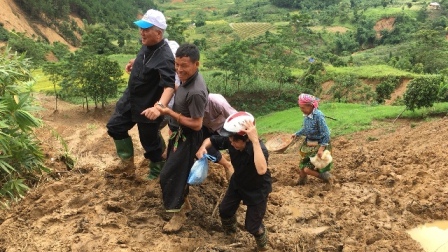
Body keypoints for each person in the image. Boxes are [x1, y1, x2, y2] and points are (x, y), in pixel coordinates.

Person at [106, 9, 175, 180]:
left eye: (146, 29)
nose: (141, 32)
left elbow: (169, 86)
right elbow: (147, 57)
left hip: (148, 104)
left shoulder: (166, 57)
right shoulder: (148, 45)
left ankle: (157, 170)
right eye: (141, 28)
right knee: (115, 126)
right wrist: (135, 62)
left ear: (158, 33)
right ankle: (126, 165)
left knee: (149, 142)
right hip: (131, 98)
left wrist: (159, 107)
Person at [196, 111, 271, 251]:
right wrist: (202, 148)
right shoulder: (232, 141)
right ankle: (230, 234)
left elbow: (261, 170)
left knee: (252, 226)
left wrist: (255, 140)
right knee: (224, 211)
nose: (231, 143)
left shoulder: (259, 149)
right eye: (230, 139)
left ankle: (263, 245)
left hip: (257, 190)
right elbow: (212, 140)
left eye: (235, 140)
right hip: (238, 183)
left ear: (246, 138)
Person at [154, 43, 208, 233]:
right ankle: (183, 205)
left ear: (196, 64)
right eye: (177, 65)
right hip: (178, 134)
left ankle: (180, 214)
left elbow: (197, 124)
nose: (179, 69)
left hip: (188, 138)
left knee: (170, 175)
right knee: (175, 173)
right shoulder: (187, 80)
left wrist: (170, 112)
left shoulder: (196, 92)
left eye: (184, 65)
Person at [291, 93, 333, 185]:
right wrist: (297, 134)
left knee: (307, 169)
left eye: (303, 108)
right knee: (302, 167)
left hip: (320, 144)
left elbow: (326, 133)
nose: (301, 110)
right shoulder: (307, 115)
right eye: (300, 107)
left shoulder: (318, 116)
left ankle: (326, 177)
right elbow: (306, 128)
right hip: (309, 144)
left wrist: (321, 149)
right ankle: (301, 183)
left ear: (310, 106)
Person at [202, 93, 238, 180]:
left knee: (235, 148)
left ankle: (234, 170)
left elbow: (234, 118)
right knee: (201, 145)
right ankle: (226, 164)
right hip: (208, 129)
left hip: (225, 129)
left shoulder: (217, 102)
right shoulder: (192, 106)